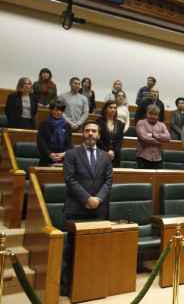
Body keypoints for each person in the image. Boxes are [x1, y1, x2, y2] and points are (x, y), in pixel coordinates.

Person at [60, 120, 112, 296]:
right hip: (77, 209)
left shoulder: (105, 156)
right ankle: (68, 288)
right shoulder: (71, 154)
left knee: (96, 250)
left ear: (98, 135)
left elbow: (108, 180)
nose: (91, 133)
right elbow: (70, 179)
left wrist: (98, 198)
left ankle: (92, 286)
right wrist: (87, 198)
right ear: (83, 133)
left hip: (98, 209)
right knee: (72, 252)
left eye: (94, 131)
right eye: (88, 130)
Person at [37, 99, 72, 166]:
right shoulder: (44, 124)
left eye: (60, 110)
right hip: (46, 158)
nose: (58, 112)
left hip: (63, 159)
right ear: (51, 110)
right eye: (56, 110)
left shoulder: (67, 125)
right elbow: (41, 142)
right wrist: (50, 154)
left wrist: (63, 154)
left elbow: (69, 144)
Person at [135, 104, 171, 169]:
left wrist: (154, 135)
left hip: (158, 158)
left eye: (155, 114)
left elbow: (168, 137)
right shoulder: (141, 123)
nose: (152, 116)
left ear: (158, 115)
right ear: (146, 113)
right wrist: (161, 141)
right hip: (143, 157)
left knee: (158, 179)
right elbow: (144, 138)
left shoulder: (162, 125)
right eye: (150, 113)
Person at [96, 100, 125, 168]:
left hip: (115, 155)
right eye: (110, 107)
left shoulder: (120, 124)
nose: (113, 109)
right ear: (106, 109)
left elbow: (119, 141)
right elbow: (98, 140)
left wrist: (113, 152)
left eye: (115, 108)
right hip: (101, 153)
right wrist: (107, 152)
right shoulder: (99, 122)